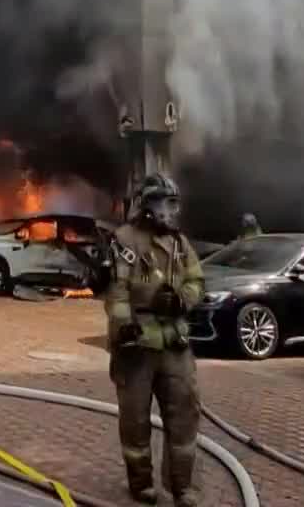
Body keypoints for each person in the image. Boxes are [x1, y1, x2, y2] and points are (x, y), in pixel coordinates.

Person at [106, 173, 206, 507]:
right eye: (163, 203)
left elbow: (196, 280)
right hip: (137, 345)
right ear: (147, 206)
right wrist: (123, 327)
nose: (169, 211)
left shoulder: (180, 243)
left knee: (185, 415)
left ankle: (182, 487)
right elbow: (117, 292)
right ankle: (141, 482)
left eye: (172, 203)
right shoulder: (125, 240)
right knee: (134, 419)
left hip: (174, 344)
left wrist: (182, 300)